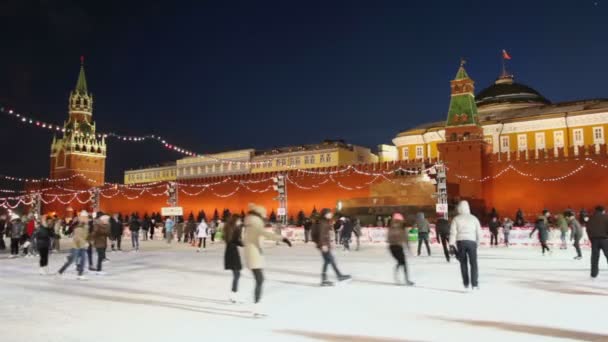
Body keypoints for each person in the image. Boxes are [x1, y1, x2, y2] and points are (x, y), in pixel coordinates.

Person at [243, 203, 291, 316]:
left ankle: (256, 306)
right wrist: (282, 238)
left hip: (252, 253)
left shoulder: (250, 222)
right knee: (260, 280)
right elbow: (265, 233)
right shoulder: (255, 223)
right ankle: (256, 307)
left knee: (259, 280)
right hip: (254, 253)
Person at [312, 208, 351, 287]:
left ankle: (325, 279)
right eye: (329, 213)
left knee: (328, 261)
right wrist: (323, 245)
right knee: (330, 261)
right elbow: (322, 234)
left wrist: (329, 243)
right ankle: (337, 276)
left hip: (325, 244)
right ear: (325, 214)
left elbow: (326, 234)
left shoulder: (325, 221)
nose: (331, 214)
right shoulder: (322, 222)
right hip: (324, 245)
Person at [449, 200, 482, 291]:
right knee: (473, 264)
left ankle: (466, 284)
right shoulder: (474, 218)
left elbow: (453, 233)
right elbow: (479, 232)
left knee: (463, 263)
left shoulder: (456, 219)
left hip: (461, 242)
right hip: (472, 242)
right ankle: (474, 284)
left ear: (459, 208)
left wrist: (451, 244)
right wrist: (477, 243)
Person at [57, 211, 89, 280]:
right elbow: (77, 237)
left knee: (83, 259)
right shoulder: (78, 225)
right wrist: (84, 243)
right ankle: (60, 272)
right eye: (84, 217)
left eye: (86, 217)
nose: (86, 219)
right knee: (71, 261)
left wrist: (88, 241)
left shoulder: (86, 226)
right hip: (76, 246)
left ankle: (80, 274)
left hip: (82, 246)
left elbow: (85, 236)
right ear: (81, 218)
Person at [387, 213, 414, 286]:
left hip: (394, 247)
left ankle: (402, 277)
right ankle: (405, 279)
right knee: (403, 262)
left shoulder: (395, 227)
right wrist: (408, 248)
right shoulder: (398, 227)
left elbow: (405, 238)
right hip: (396, 247)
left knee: (402, 262)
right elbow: (405, 238)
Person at [223, 214, 244, 303]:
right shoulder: (231, 229)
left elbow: (234, 240)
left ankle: (233, 295)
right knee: (237, 274)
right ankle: (233, 295)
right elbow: (233, 240)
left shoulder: (231, 228)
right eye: (239, 220)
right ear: (236, 220)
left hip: (231, 252)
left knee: (237, 274)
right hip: (232, 253)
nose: (240, 221)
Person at [586, 206, 608, 279]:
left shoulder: (591, 218)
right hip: (604, 239)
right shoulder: (606, 217)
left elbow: (588, 229)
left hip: (594, 240)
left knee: (594, 257)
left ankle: (593, 273)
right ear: (603, 210)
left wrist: (591, 238)